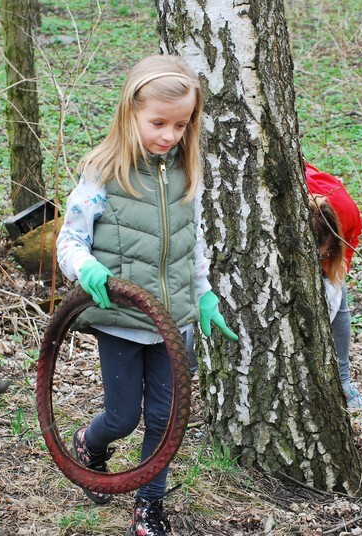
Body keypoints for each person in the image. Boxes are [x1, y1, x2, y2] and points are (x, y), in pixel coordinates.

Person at [56, 54, 238, 536]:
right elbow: (68, 242)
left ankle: (148, 506)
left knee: (165, 418)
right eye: (158, 123)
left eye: (180, 125)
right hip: (120, 316)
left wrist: (204, 296)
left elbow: (193, 243)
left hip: (173, 323)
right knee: (122, 415)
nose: (169, 135)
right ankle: (90, 444)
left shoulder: (186, 172)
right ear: (130, 112)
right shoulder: (102, 171)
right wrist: (87, 267)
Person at [306, 162, 362, 414]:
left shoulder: (348, 216)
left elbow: (349, 246)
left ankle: (344, 384)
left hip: (333, 223)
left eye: (324, 254)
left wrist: (331, 274)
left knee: (340, 297)